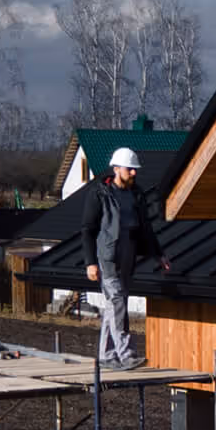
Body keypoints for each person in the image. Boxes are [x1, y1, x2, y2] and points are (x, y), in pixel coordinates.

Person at [81, 147, 171, 367]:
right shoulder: (100, 193)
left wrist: (158, 254)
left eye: (134, 169)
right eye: (129, 169)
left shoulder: (136, 194)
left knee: (114, 306)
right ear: (116, 168)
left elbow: (146, 228)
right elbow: (88, 230)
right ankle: (126, 354)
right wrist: (90, 262)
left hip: (128, 257)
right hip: (108, 258)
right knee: (118, 302)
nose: (133, 173)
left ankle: (106, 355)